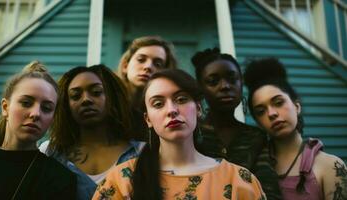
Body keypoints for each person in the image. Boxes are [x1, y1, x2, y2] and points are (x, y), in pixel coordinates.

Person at [92, 69, 266, 200]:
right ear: (148, 119)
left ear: (198, 108)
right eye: (158, 104)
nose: (172, 110)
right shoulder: (121, 180)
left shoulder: (239, 180)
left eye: (181, 99)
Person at [244, 58, 347, 200]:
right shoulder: (251, 167)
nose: (271, 113)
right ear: (258, 122)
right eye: (261, 111)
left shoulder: (330, 166)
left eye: (278, 102)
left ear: (297, 106)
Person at [39, 65, 144, 200]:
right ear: (66, 104)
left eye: (96, 92)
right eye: (75, 96)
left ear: (112, 97)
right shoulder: (49, 153)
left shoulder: (143, 153)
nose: (86, 100)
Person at [191, 48, 282, 199]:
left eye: (232, 79)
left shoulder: (256, 137)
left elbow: (269, 192)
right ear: (201, 88)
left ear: (241, 84)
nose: (225, 86)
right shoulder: (191, 135)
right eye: (213, 81)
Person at [0, 61, 76, 199]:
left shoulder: (60, 179)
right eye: (26, 103)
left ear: (53, 118)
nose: (36, 113)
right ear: (5, 107)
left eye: (47, 108)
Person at [117, 35, 177, 141]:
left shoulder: (169, 112)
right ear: (125, 66)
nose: (148, 67)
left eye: (158, 64)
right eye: (141, 60)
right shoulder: (108, 105)